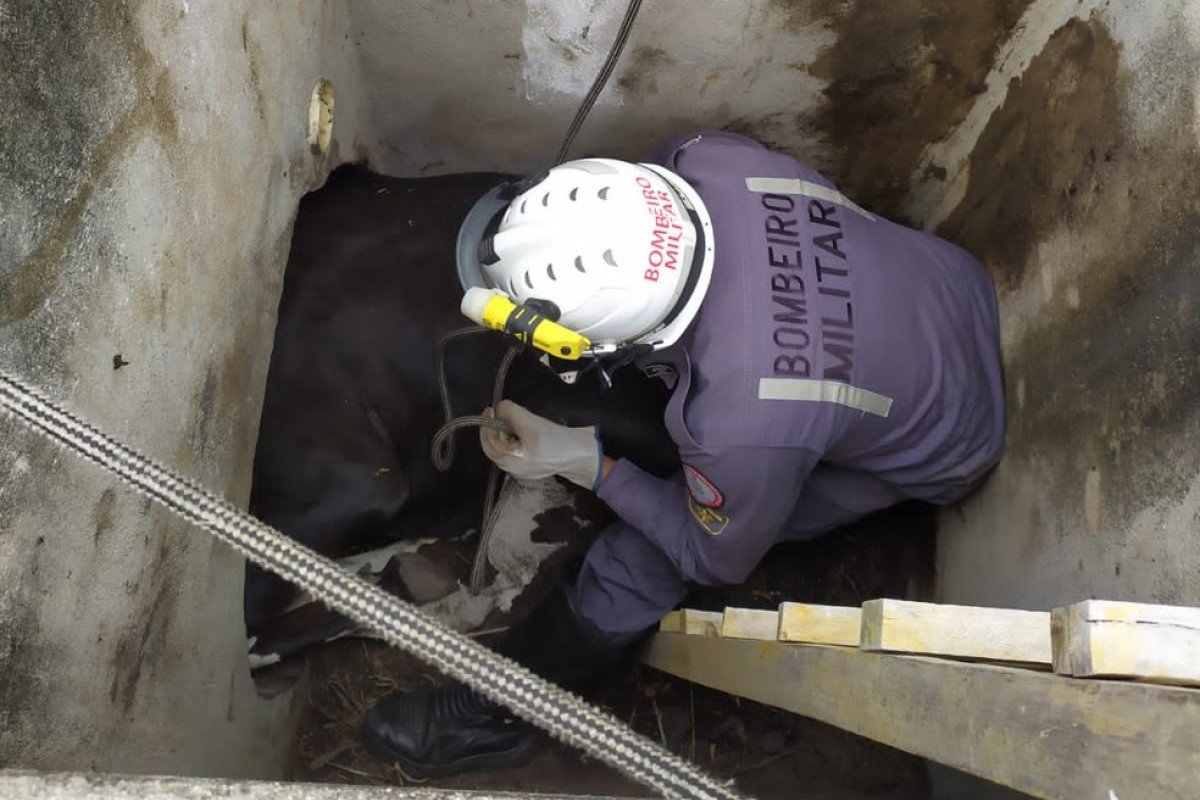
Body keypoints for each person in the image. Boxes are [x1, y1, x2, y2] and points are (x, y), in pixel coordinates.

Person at [361, 131, 1005, 776]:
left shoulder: (742, 426)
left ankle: (490, 719)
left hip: (945, 441)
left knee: (638, 558)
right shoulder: (710, 160)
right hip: (950, 285)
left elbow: (714, 555)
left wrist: (592, 464)